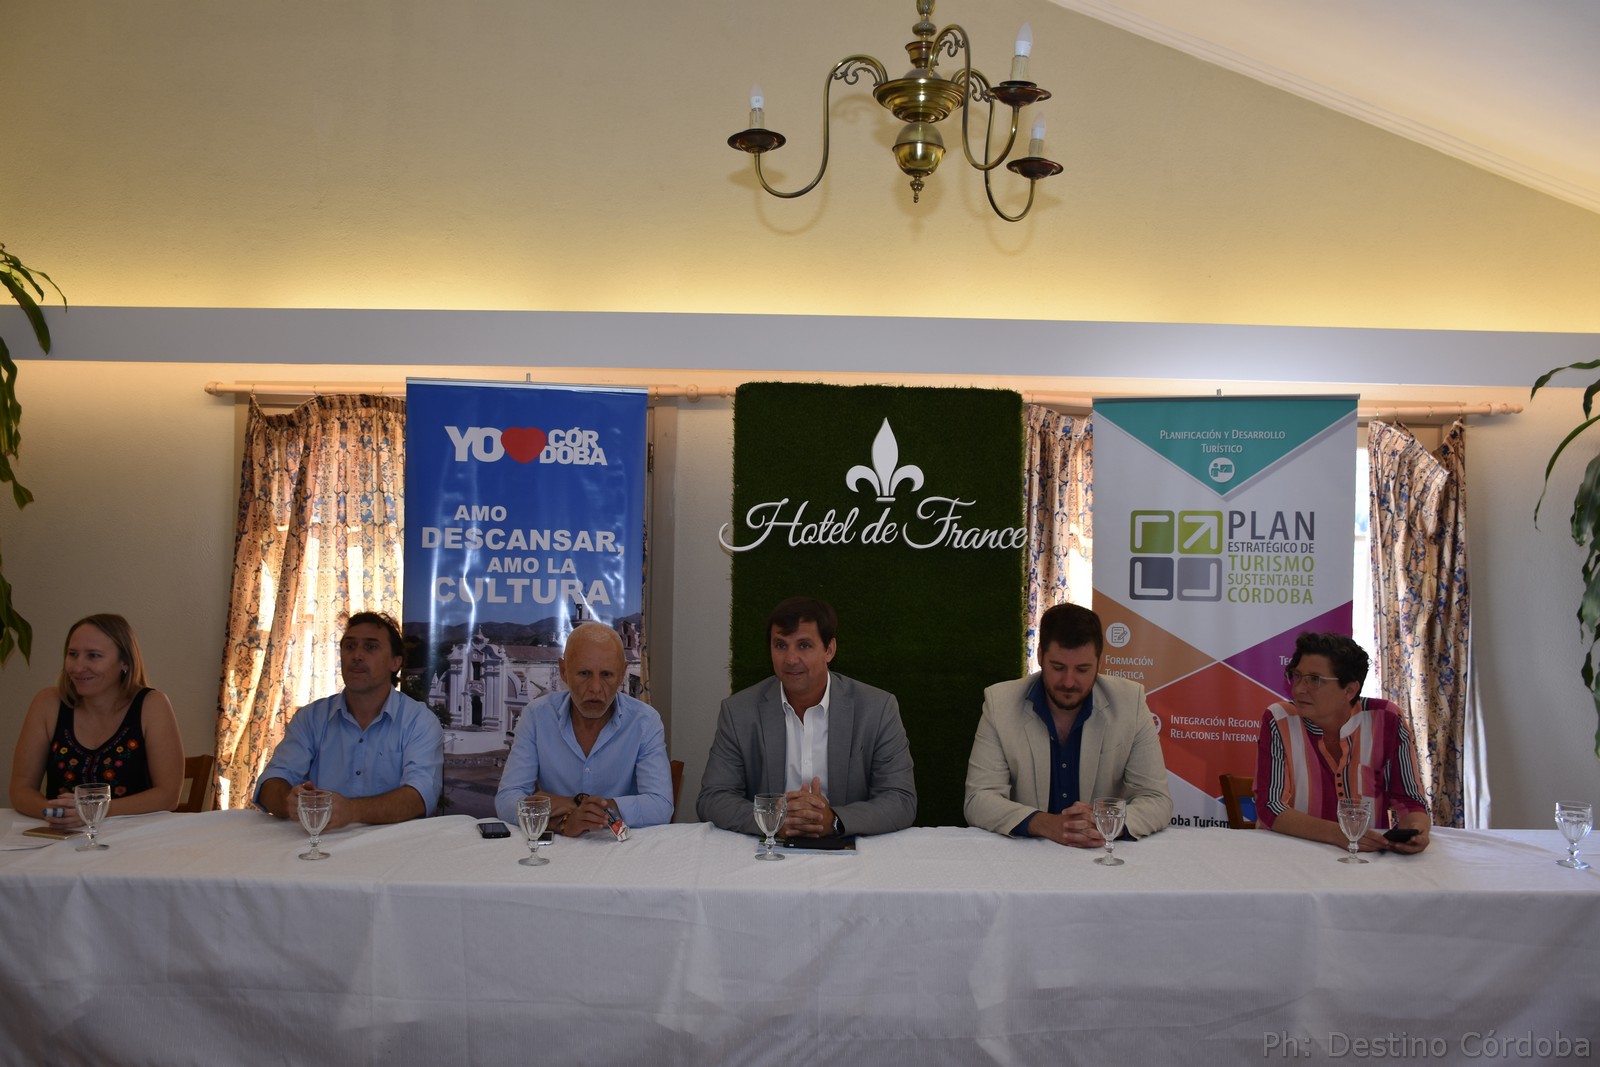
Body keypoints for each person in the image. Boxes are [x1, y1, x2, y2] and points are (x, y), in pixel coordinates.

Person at [697, 596, 916, 837]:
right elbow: (713, 798)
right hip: (769, 851)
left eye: (804, 645)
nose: (791, 659)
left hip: (847, 849)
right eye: (780, 645)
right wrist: (775, 818)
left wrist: (834, 820)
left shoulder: (877, 709)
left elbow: (900, 799)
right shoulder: (739, 711)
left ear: (829, 650)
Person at [965, 603, 1171, 846]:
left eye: (1082, 669)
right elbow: (979, 800)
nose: (1069, 682)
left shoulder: (1130, 703)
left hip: (1101, 855)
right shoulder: (1000, 704)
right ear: (1040, 656)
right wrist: (1045, 823)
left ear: (1099, 663)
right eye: (1058, 667)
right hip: (1027, 856)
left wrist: (1102, 823)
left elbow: (1156, 799)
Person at [256, 611, 443, 829]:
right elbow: (271, 782)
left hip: (393, 844)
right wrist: (287, 800)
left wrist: (352, 811)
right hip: (321, 840)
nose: (357, 655)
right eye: (350, 646)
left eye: (370, 647)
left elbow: (420, 797)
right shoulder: (310, 718)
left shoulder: (419, 721)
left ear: (395, 662)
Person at [1255, 632, 1431, 853]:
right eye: (1297, 676)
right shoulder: (1279, 719)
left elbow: (1410, 801)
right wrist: (1338, 834)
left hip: (1365, 859)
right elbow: (1271, 807)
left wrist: (1417, 831)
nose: (1299, 689)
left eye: (1315, 680)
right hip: (1291, 853)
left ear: (1349, 690)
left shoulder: (1386, 719)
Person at [494, 621, 674, 834]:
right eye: (584, 673)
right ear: (564, 671)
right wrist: (564, 822)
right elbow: (507, 800)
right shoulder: (537, 716)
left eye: (606, 674)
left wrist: (578, 805)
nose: (595, 688)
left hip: (623, 847)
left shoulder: (644, 721)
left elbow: (661, 807)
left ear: (622, 673)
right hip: (557, 846)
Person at [9, 614, 185, 828]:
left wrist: (95, 811)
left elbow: (168, 795)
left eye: (93, 656)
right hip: (62, 838)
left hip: (134, 837)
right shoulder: (48, 702)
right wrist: (57, 812)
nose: (78, 667)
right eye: (73, 654)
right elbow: (21, 789)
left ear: (125, 662)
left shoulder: (152, 704)